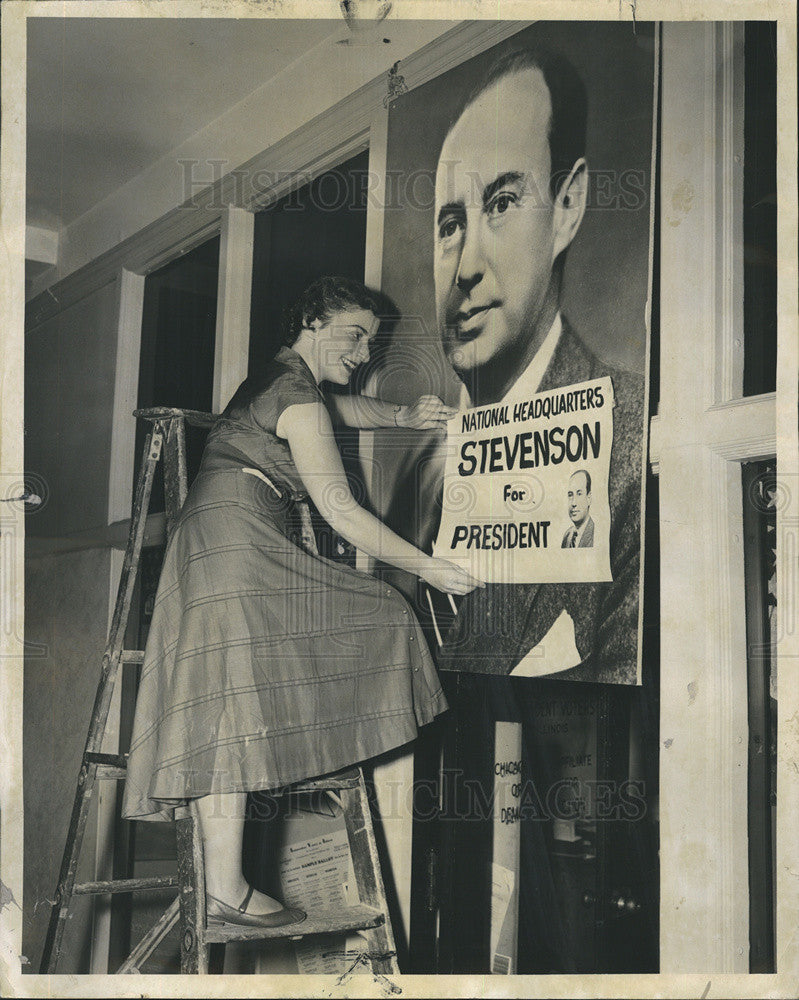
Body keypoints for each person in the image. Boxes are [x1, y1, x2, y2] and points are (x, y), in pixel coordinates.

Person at [122, 276, 481, 929]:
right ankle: (243, 854)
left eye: (371, 342)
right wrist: (428, 566)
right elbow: (340, 509)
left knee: (226, 699)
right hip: (239, 537)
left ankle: (225, 881)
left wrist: (400, 417)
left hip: (219, 534)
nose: (362, 352)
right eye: (353, 334)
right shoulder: (295, 393)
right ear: (312, 322)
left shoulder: (280, 381)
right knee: (386, 614)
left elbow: (344, 410)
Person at [430, 46, 645, 684]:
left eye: (501, 203)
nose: (465, 266)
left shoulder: (632, 437)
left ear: (567, 207)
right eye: (449, 223)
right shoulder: (411, 468)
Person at [561, 469, 594, 548]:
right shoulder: (567, 535)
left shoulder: (596, 533)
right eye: (570, 495)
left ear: (588, 498)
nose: (573, 503)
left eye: (579, 494)